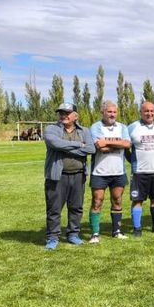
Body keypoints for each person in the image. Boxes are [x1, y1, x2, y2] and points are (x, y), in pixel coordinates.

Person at [43, 102, 96, 250]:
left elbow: (91, 149)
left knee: (76, 207)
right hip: (57, 176)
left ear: (75, 116)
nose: (63, 116)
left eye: (67, 113)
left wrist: (66, 147)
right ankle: (52, 237)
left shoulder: (84, 131)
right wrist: (80, 145)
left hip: (79, 175)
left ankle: (73, 234)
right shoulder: (51, 129)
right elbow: (55, 143)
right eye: (61, 113)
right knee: (54, 209)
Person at [88, 101, 131, 242]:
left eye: (114, 112)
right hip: (99, 172)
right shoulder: (96, 127)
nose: (112, 114)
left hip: (118, 171)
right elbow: (100, 146)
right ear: (103, 112)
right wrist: (118, 145)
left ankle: (116, 231)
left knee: (117, 200)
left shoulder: (123, 127)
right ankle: (95, 234)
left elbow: (127, 144)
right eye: (109, 112)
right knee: (97, 201)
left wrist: (107, 142)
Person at [127, 101, 154, 236]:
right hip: (140, 172)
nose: (149, 113)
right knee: (137, 200)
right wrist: (132, 161)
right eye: (146, 111)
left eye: (152, 111)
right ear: (141, 112)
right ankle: (137, 228)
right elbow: (126, 147)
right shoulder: (132, 127)